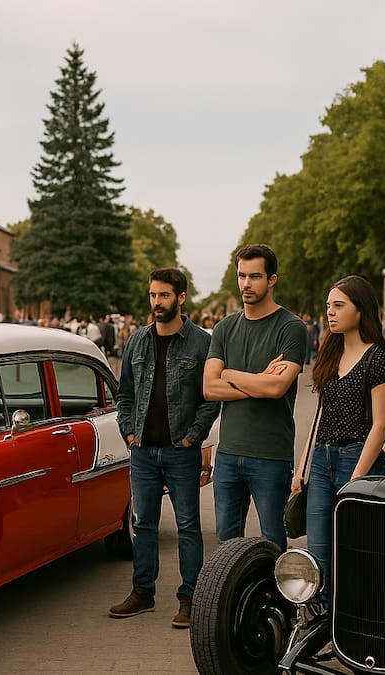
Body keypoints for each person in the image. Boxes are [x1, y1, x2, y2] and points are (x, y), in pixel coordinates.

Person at [109, 268, 220, 628]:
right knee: (143, 524)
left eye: (164, 296)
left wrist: (193, 437)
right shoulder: (137, 341)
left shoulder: (201, 343)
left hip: (180, 450)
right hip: (142, 451)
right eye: (153, 296)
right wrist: (128, 434)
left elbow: (210, 398)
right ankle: (143, 592)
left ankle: (189, 599)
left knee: (188, 526)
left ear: (181, 298)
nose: (157, 302)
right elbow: (124, 395)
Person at [292, 275, 385, 607]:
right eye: (328, 307)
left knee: (353, 547)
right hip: (321, 462)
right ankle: (320, 617)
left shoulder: (378, 357)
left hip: (358, 458)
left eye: (339, 306)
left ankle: (355, 616)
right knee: (318, 548)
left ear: (360, 310)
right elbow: (320, 414)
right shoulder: (330, 353)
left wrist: (357, 478)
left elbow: (380, 426)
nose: (330, 313)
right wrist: (301, 468)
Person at [204, 244, 307, 551]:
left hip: (270, 455)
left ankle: (276, 599)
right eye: (241, 275)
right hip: (228, 453)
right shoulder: (224, 328)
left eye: (255, 276)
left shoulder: (292, 328)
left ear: (272, 279)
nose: (246, 283)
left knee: (273, 542)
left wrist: (230, 374)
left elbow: (276, 389)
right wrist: (259, 379)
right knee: (226, 543)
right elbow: (209, 388)